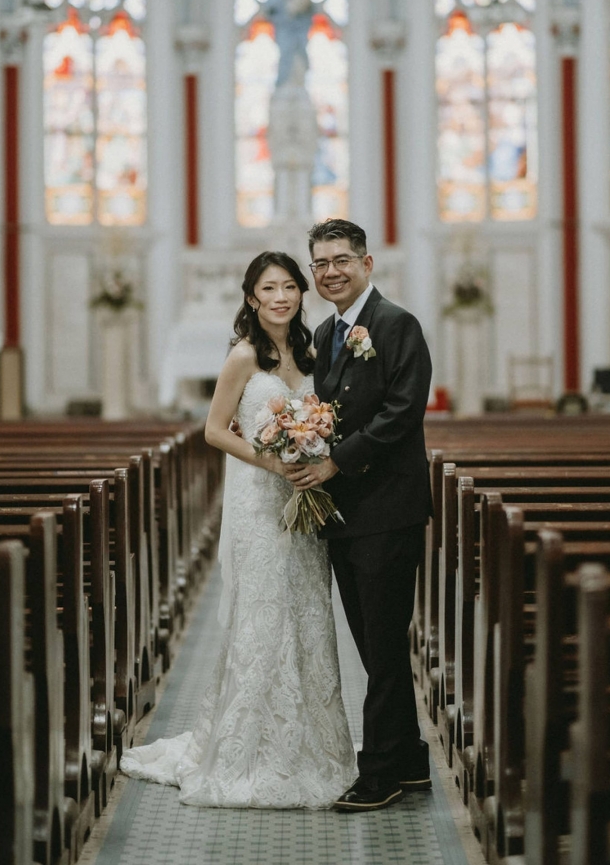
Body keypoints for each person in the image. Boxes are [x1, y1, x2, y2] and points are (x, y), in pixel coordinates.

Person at [120, 251, 356, 808]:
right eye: (269, 288)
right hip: (260, 497)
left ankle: (314, 747)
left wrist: (312, 447)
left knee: (308, 611)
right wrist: (275, 461)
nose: (281, 297)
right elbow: (213, 431)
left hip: (305, 495)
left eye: (290, 287)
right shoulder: (243, 357)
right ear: (252, 298)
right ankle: (245, 752)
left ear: (302, 293)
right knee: (262, 614)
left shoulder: (314, 351)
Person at [286, 219, 433, 812]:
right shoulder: (326, 331)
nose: (330, 272)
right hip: (348, 514)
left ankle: (379, 775)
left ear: (367, 264)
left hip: (388, 508)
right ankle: (410, 760)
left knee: (384, 642)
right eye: (320, 264)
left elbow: (402, 412)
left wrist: (334, 464)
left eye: (341, 260)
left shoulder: (397, 325)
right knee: (375, 644)